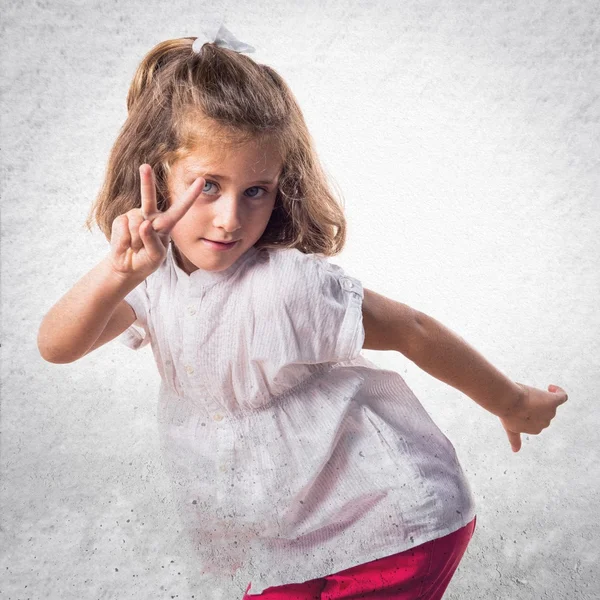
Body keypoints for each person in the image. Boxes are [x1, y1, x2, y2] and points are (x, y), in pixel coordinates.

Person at [37, 27, 568, 600]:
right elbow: (58, 344)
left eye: (256, 191)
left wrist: (512, 402)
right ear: (158, 174)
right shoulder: (152, 278)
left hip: (391, 526)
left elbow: (413, 331)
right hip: (282, 544)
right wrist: (116, 275)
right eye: (208, 186)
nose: (229, 219)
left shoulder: (292, 286)